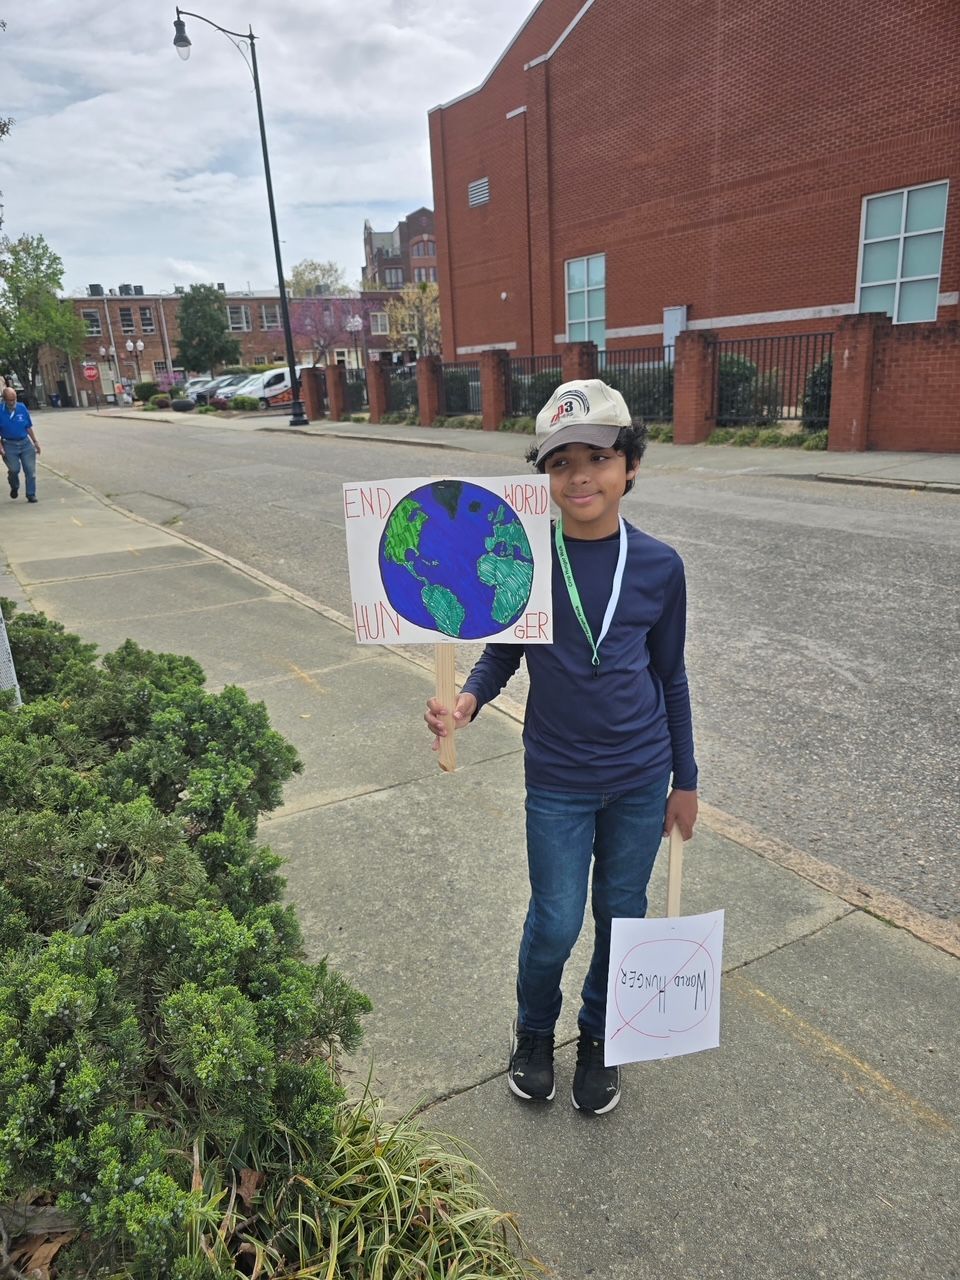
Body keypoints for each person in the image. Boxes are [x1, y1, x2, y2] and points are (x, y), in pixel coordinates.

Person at [424, 378, 698, 1116]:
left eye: (598, 458)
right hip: (557, 780)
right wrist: (467, 702)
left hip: (642, 779)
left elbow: (670, 675)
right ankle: (535, 1034)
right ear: (543, 476)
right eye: (560, 462)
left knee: (622, 914)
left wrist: (686, 779)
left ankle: (602, 1036)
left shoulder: (660, 567)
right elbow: (499, 656)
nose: (580, 475)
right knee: (554, 918)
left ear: (629, 467)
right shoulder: (527, 561)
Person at [0, 386, 41, 503]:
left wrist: (35, 442)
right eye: (10, 400)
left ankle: (31, 494)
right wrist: (1, 448)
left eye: (14, 399)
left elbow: (28, 426)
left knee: (30, 471)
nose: (13, 402)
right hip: (9, 444)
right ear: (4, 399)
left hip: (25, 443)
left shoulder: (21, 408)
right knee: (14, 470)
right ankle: (14, 486)